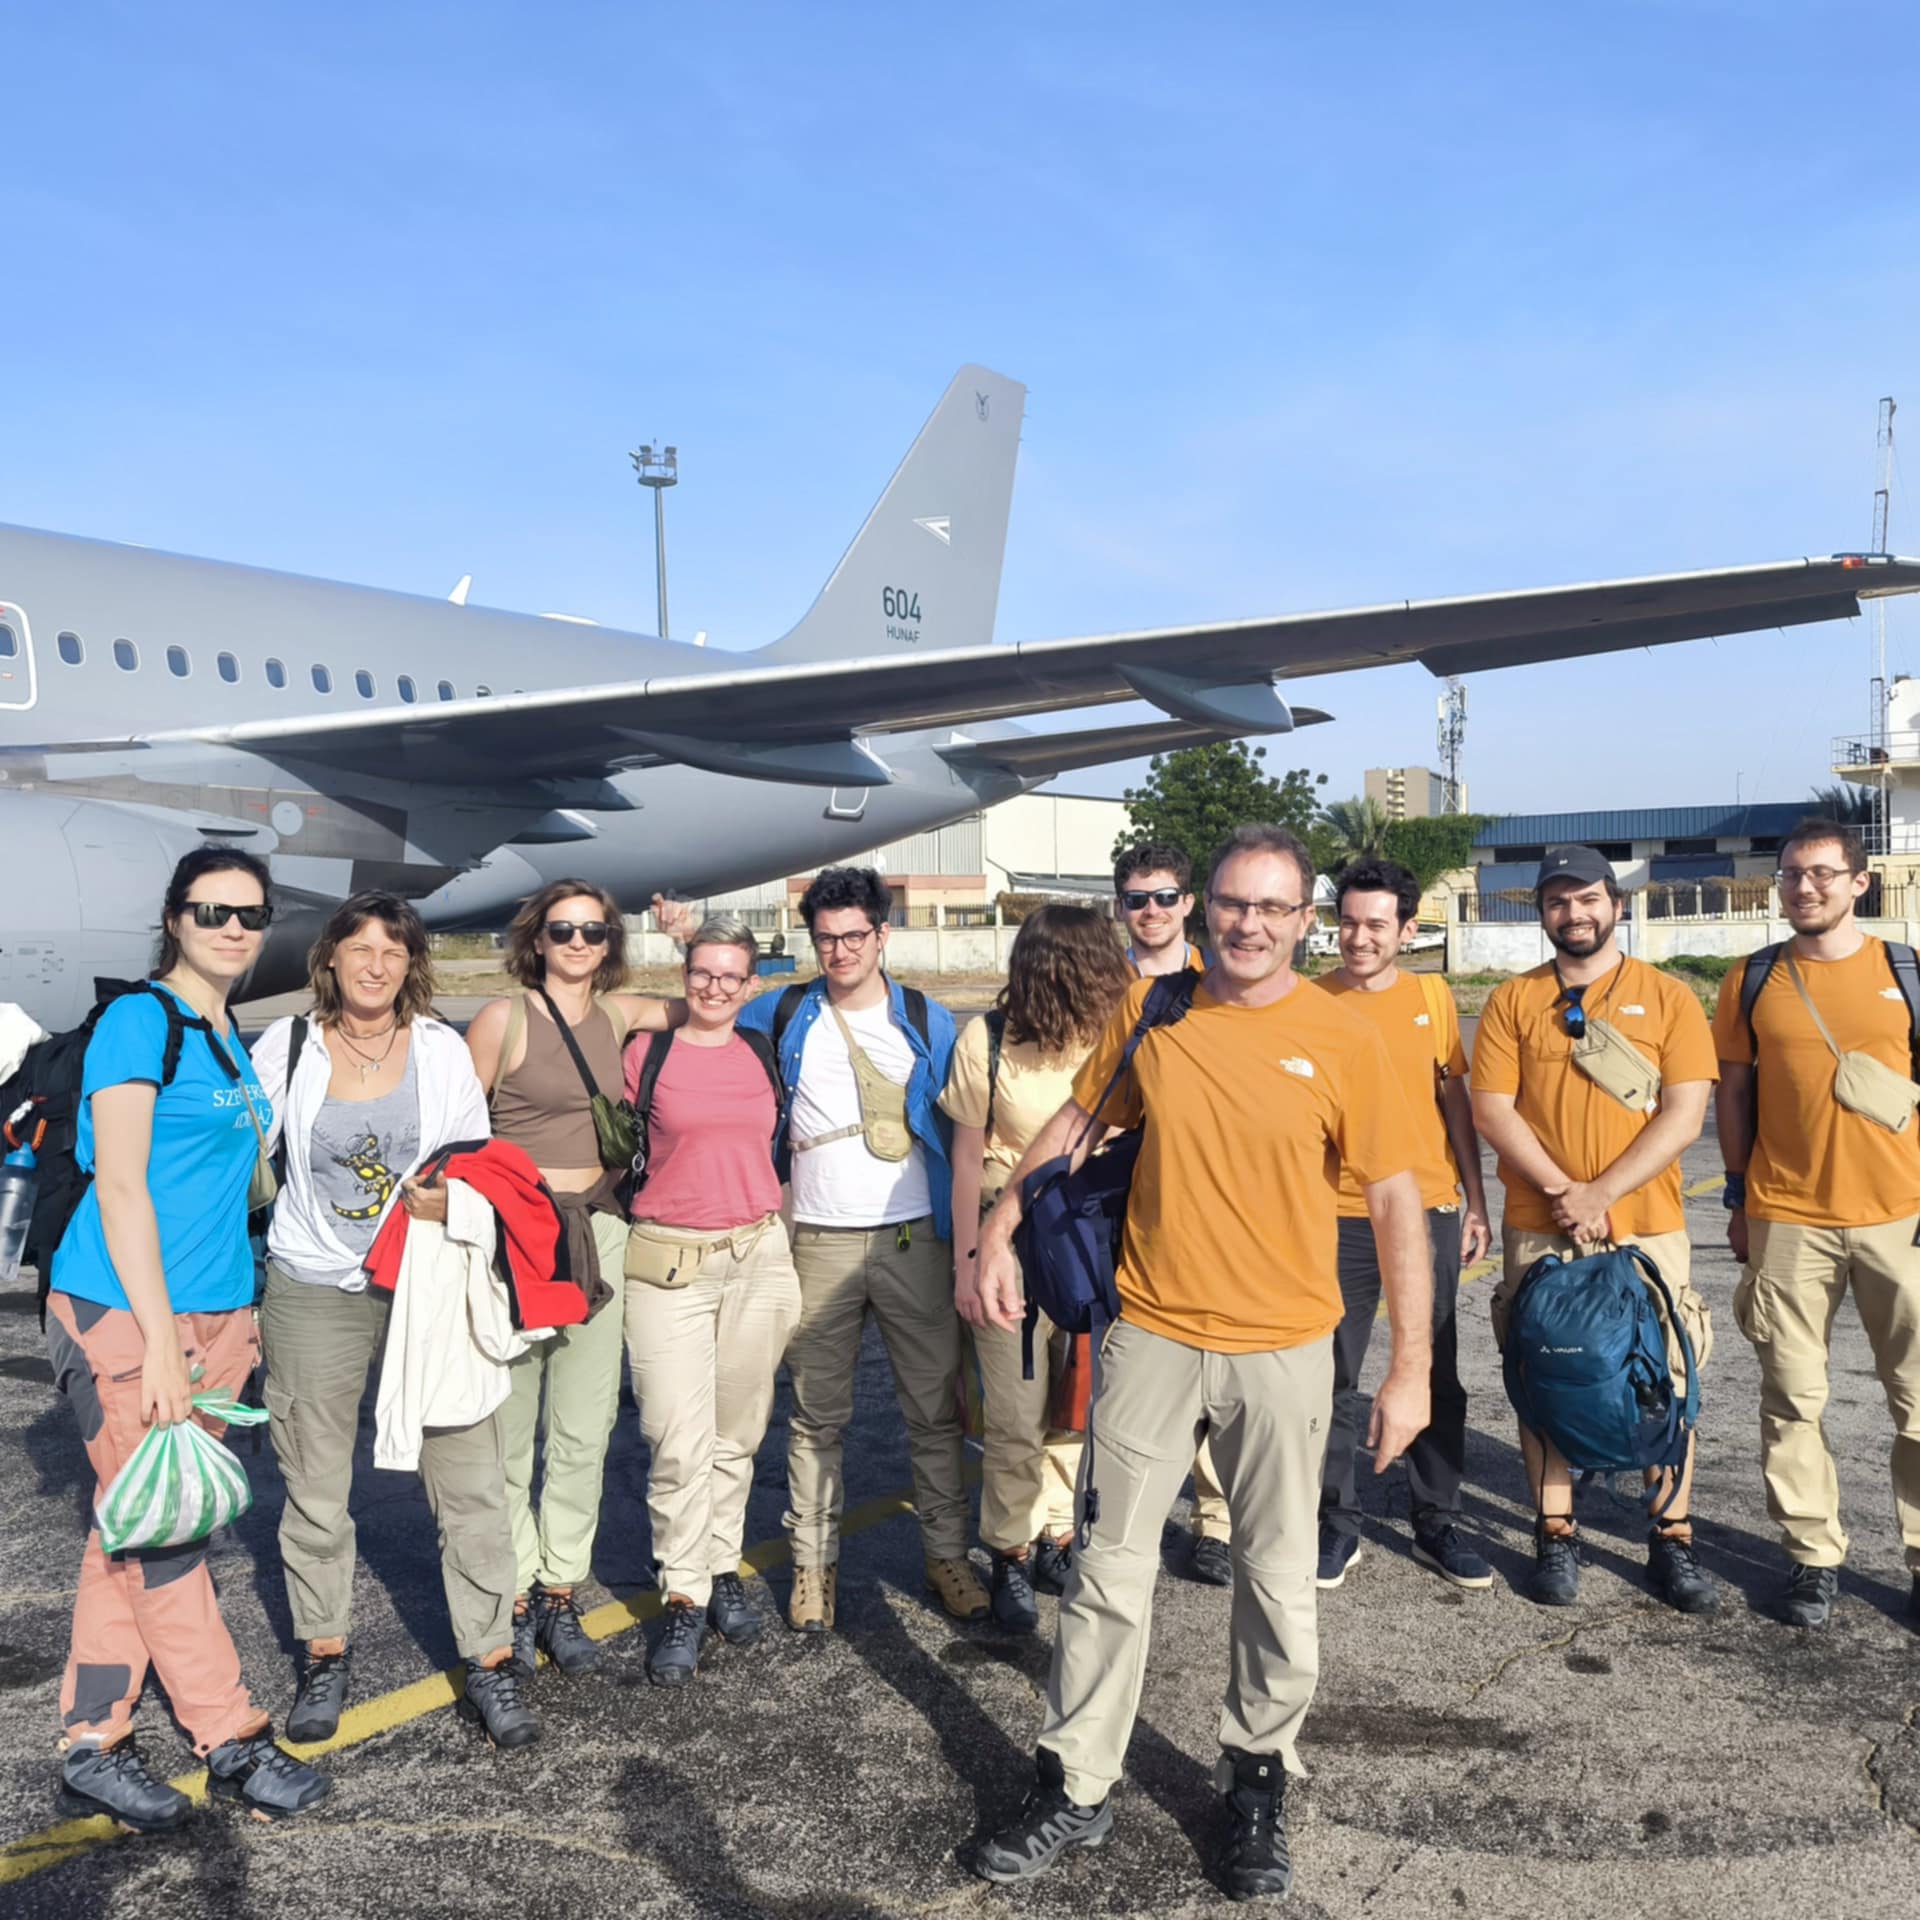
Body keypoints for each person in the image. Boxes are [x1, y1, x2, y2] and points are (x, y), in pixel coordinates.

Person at [967, 824, 1431, 1900]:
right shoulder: (1156, 1006)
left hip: (1284, 1347)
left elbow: (1398, 1197)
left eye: (1273, 908)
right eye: (1233, 903)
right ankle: (1076, 1784)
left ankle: (1257, 1779)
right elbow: (1084, 1116)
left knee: (1274, 1578)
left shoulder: (1346, 1036)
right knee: (1110, 1570)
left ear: (1304, 921)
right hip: (1155, 1334)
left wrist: (1408, 1366)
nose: (1249, 924)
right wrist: (1000, 1220)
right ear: (1206, 907)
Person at [44, 848, 330, 1829]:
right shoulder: (140, 1021)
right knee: (164, 1539)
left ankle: (91, 1740)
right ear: (175, 918)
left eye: (249, 915)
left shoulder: (223, 1031)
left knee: (133, 1524)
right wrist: (164, 1344)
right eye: (212, 911)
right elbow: (120, 1189)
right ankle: (231, 1737)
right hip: (126, 1311)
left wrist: (230, 1322)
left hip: (216, 1314)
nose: (233, 929)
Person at [253, 892, 536, 1750]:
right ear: (329, 957)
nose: (375, 964)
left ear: (412, 964)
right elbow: (232, 1142)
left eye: (393, 950)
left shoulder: (442, 1051)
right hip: (312, 1285)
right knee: (314, 1484)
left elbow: (475, 1161)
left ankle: (490, 1660)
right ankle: (325, 1649)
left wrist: (449, 1198)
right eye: (359, 947)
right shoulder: (287, 1045)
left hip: (426, 1284)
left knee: (470, 1480)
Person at [736, 867, 987, 1632]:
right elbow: (700, 1028)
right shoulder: (777, 1014)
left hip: (916, 1238)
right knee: (817, 1418)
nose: (840, 951)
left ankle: (947, 1556)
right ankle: (812, 1567)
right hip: (815, 1239)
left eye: (855, 936)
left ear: (882, 935)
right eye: (826, 938)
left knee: (935, 1414)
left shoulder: (927, 1020)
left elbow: (972, 1122)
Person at [1471, 845, 1720, 1612]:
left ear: (1616, 904)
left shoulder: (1669, 998)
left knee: (1662, 1375)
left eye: (1587, 899)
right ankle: (1555, 1531)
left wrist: (1605, 1189)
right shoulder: (1513, 1002)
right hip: (1539, 1225)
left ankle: (1670, 1538)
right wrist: (1562, 1191)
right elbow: (1493, 1108)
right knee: (1547, 1370)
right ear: (1541, 911)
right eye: (1557, 902)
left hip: (1645, 1223)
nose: (1573, 914)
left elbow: (1685, 1111)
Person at [466, 880, 687, 1678]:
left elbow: (708, 1001)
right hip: (519, 1234)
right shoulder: (504, 1018)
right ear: (537, 937)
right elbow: (461, 1128)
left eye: (595, 931)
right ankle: (518, 1589)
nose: (579, 943)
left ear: (610, 942)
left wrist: (688, 938)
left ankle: (560, 1588)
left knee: (584, 1427)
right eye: (563, 930)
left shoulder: (619, 1013)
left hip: (600, 1227)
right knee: (510, 1421)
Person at [1713, 818, 1920, 1630]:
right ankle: (1812, 1557)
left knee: (1919, 1399)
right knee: (1791, 1397)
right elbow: (1731, 1094)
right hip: (1786, 1217)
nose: (1805, 888)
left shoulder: (1902, 972)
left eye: (1823, 874)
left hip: (1898, 1218)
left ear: (1859, 882)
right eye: (1792, 875)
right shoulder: (1753, 978)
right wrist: (1737, 1198)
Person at [943, 904, 1135, 1630]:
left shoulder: (1126, 1040)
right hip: (1010, 1236)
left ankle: (1055, 1527)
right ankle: (1009, 1552)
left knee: (1079, 1400)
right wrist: (968, 1262)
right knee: (1016, 1413)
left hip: (1096, 1240)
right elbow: (967, 1160)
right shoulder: (987, 1040)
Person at [621, 916, 801, 1686]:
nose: (716, 987)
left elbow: (781, 1151)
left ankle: (721, 1562)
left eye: (732, 976)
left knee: (737, 1431)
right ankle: (684, 1594)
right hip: (668, 1262)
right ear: (683, 971)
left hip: (758, 1256)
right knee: (674, 1438)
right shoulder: (646, 1054)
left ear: (751, 984)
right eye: (703, 972)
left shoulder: (761, 1051)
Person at [1314, 858, 1494, 1590]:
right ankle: (1335, 1523)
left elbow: (1455, 1103)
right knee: (1331, 1376)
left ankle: (1437, 1519)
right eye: (1347, 922)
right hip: (1340, 1214)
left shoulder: (1432, 996)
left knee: (1435, 1370)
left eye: (1375, 925)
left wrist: (1475, 1198)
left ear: (1407, 930)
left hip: (1428, 1212)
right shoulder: (1308, 1000)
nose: (1358, 938)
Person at [1112, 842, 1230, 1587]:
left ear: (1188, 903)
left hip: (1200, 1192)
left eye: (1163, 896)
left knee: (1208, 1351)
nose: (1150, 910)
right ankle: (1110, 1509)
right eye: (1135, 898)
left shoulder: (1219, 985)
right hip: (1110, 1188)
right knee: (1117, 1359)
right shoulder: (1098, 983)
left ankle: (1213, 1517)